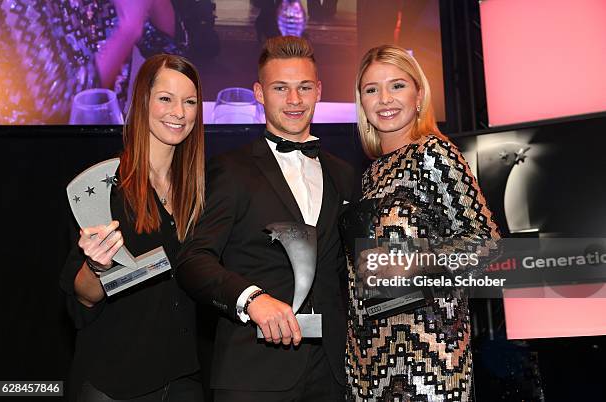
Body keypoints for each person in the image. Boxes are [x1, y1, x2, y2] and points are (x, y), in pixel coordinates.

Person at [177, 36, 354, 402]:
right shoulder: (230, 170)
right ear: (259, 93)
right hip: (254, 375)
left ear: (319, 91)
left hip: (333, 374)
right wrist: (252, 299)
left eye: (304, 87)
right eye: (280, 88)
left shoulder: (345, 174)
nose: (294, 100)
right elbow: (193, 261)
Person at [343, 45, 499, 401]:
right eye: (371, 89)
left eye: (397, 85)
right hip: (369, 353)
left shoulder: (434, 153)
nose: (384, 99)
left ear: (418, 96)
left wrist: (413, 262)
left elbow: (485, 242)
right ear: (362, 103)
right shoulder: (371, 174)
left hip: (427, 353)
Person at [59, 54, 207, 402]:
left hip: (184, 377)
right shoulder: (102, 187)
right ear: (143, 101)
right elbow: (82, 297)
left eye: (189, 101)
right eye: (166, 99)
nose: (179, 112)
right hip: (116, 381)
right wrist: (97, 266)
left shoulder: (199, 191)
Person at [0, 0, 185, 124]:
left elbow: (166, 51)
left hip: (103, 136)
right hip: (25, 148)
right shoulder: (19, 4)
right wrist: (127, 30)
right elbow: (61, 107)